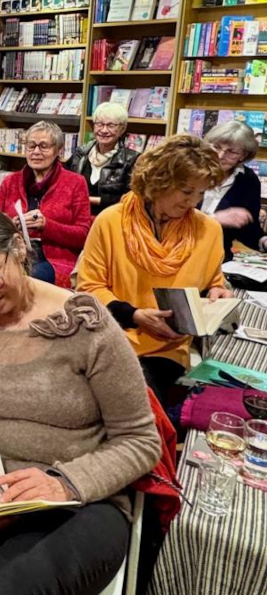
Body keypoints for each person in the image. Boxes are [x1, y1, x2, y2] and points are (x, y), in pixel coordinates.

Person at [0, 199, 161, 595]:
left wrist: (64, 483)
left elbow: (140, 440)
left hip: (80, 504)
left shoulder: (84, 324)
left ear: (19, 248)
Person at [76, 134, 233, 413]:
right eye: (186, 191)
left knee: (134, 406)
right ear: (159, 181)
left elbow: (212, 283)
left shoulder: (208, 230)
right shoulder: (111, 221)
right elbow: (89, 289)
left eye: (201, 193)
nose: (194, 202)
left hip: (165, 349)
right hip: (109, 338)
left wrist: (217, 294)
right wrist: (135, 315)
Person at [0, 121, 92, 288]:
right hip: (12, 252)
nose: (36, 152)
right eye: (31, 146)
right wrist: (10, 225)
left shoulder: (75, 182)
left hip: (54, 258)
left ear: (58, 150)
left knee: (26, 278)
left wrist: (47, 226)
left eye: (43, 146)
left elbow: (84, 235)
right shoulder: (11, 181)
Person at [201, 121, 265, 260]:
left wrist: (263, 241)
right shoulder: (190, 168)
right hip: (176, 252)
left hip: (217, 258)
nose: (220, 155)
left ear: (243, 155)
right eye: (216, 147)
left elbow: (248, 228)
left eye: (231, 152)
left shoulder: (248, 180)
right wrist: (214, 219)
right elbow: (169, 218)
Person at [67, 103, 139, 216]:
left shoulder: (132, 160)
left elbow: (132, 200)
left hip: (112, 219)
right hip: (76, 217)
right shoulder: (80, 154)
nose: (104, 130)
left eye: (111, 125)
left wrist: (91, 200)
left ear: (122, 129)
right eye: (99, 124)